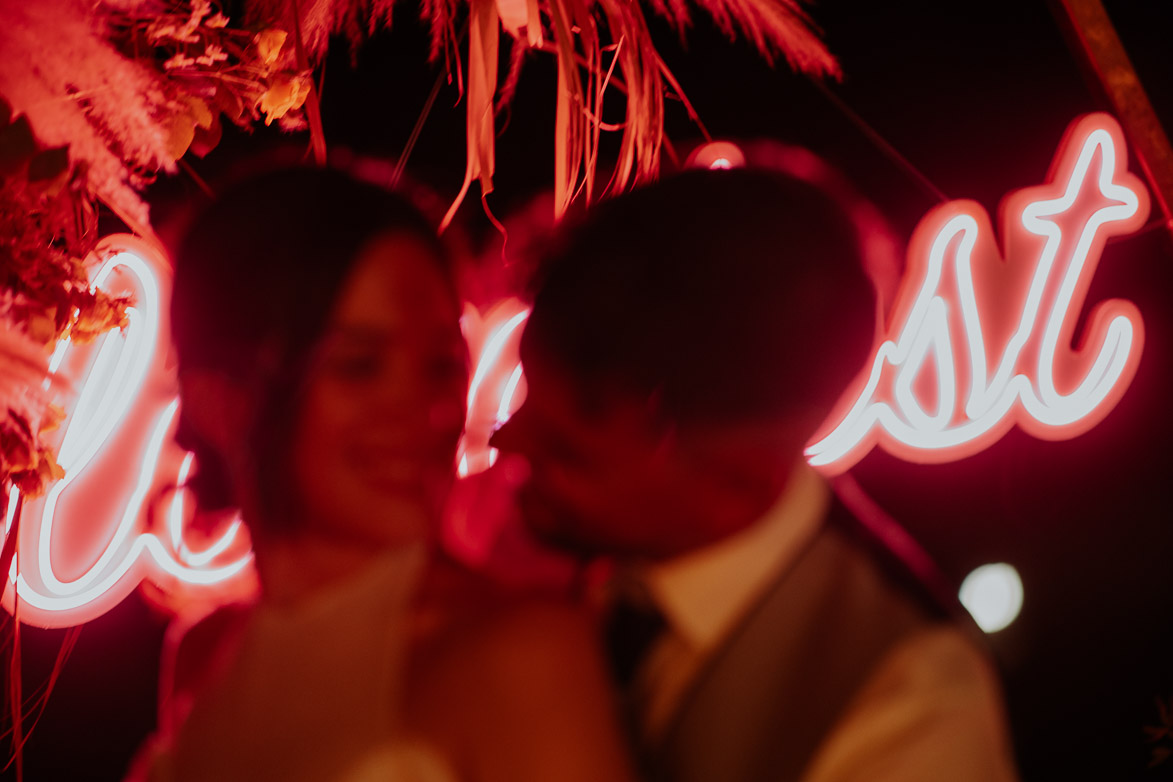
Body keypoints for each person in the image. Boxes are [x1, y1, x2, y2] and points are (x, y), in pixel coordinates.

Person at [491, 167, 1021, 782]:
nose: (506, 440)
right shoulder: (527, 561)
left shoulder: (908, 700)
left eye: (569, 449)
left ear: (737, 478)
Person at [128, 167, 636, 782]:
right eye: (360, 366)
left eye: (442, 367)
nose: (426, 413)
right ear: (222, 399)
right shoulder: (204, 656)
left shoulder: (518, 654)